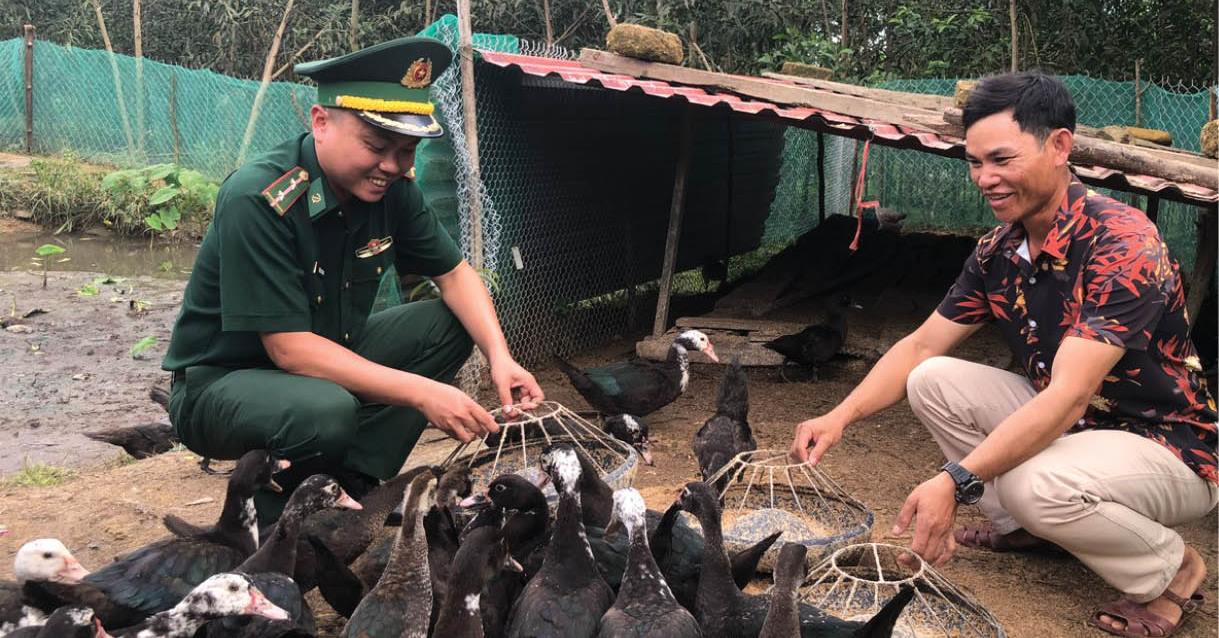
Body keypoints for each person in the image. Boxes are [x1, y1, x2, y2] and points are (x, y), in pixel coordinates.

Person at [788, 72, 1216, 637]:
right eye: (974, 162)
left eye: (1001, 159)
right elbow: (920, 345)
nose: (985, 179)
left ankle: (1173, 571)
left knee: (1032, 483)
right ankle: (1027, 527)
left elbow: (1068, 395)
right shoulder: (999, 250)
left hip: (1168, 447)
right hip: (1082, 428)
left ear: (1059, 146)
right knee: (933, 378)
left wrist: (955, 481)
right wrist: (837, 416)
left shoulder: (1123, 243)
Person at [162, 36, 543, 524]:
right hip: (222, 387)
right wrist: (423, 392)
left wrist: (500, 357)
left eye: (407, 151)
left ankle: (354, 484)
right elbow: (289, 351)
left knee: (448, 324)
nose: (393, 166)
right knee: (327, 411)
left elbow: (454, 273)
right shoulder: (259, 200)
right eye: (377, 146)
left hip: (325, 358)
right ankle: (275, 518)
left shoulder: (391, 191)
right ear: (321, 123)